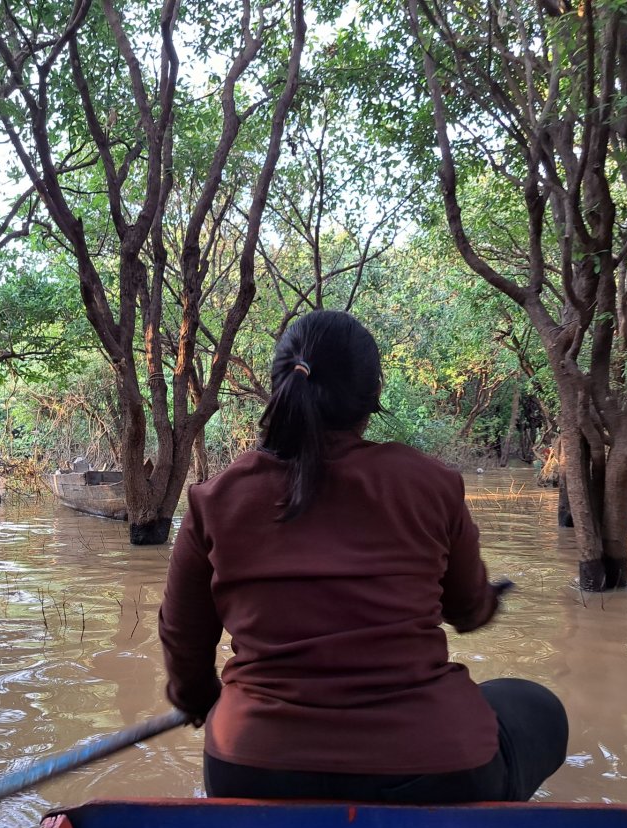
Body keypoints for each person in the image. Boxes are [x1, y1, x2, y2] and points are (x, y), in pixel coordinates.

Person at [159, 310, 567, 803]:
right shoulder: (431, 483)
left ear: (280, 385)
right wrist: (488, 600)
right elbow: (467, 612)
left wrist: (202, 702)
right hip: (437, 771)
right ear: (372, 397)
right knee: (537, 705)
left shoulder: (214, 499)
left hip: (251, 769)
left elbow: (183, 644)